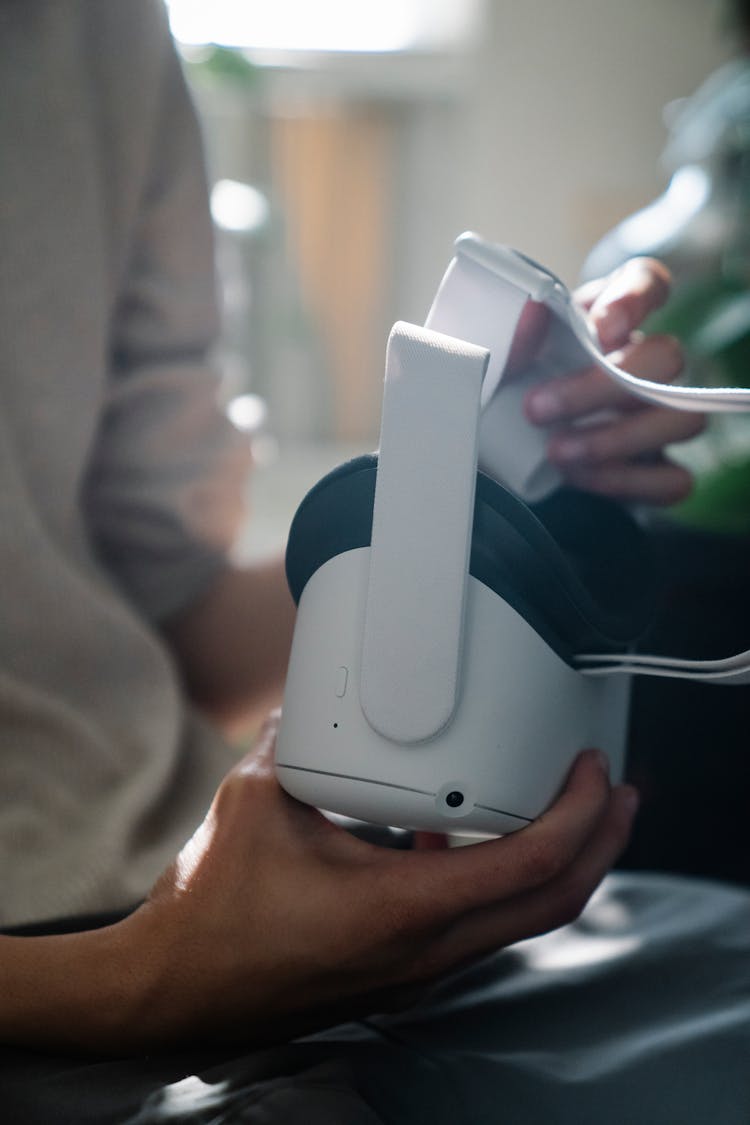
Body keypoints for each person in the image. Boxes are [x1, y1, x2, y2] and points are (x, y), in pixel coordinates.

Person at [4, 3, 746, 1122]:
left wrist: (489, 493)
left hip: (232, 901)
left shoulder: (92, 32)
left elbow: (176, 632)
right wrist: (131, 984)